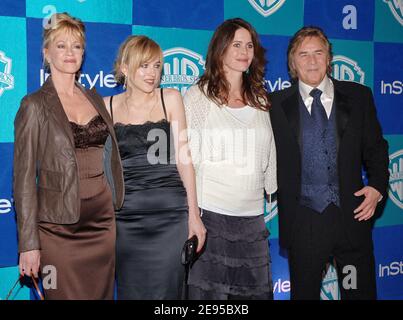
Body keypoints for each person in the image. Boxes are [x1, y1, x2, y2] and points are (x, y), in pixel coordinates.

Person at [269, 26, 389, 300]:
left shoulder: (359, 97)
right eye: (304, 54)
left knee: (357, 292)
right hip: (304, 225)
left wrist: (378, 186)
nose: (312, 61)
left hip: (352, 219)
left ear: (328, 58)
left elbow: (376, 149)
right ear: (292, 63)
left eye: (318, 53)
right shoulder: (273, 105)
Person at [13, 13, 124, 299]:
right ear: (46, 52)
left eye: (76, 46)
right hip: (56, 229)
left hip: (102, 223)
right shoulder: (34, 105)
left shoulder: (94, 98)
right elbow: (23, 179)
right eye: (61, 46)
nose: (69, 53)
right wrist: (28, 244)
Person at [103, 35, 206, 300]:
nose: (152, 73)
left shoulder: (169, 98)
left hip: (170, 217)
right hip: (125, 221)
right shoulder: (106, 107)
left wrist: (194, 216)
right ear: (124, 68)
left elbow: (185, 160)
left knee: (169, 295)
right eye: (144, 65)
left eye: (157, 66)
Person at [183, 18, 277, 300]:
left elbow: (270, 154)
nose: (244, 51)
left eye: (249, 45)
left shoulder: (261, 99)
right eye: (236, 44)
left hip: (252, 221)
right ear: (220, 49)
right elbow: (185, 158)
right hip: (211, 219)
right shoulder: (198, 97)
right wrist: (192, 215)